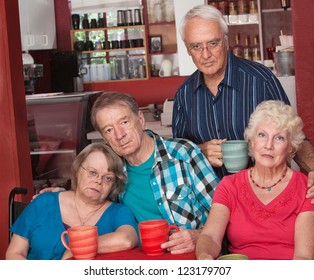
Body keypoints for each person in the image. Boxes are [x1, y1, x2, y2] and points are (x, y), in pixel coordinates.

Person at [172, 4, 314, 192]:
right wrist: (199, 152)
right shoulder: (183, 95)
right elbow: (176, 158)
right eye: (196, 46)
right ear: (188, 50)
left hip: (265, 197)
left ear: (226, 41)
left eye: (213, 43)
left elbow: (295, 138)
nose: (205, 55)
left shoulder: (260, 80)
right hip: (211, 203)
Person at [90, 91, 220, 254]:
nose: (119, 135)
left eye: (124, 122)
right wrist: (55, 194)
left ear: (141, 120)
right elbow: (87, 201)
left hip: (190, 259)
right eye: (109, 130)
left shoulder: (183, 154)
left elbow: (224, 211)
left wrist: (199, 236)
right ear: (104, 138)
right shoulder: (112, 173)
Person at [196, 100, 314, 260]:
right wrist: (205, 256)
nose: (268, 145)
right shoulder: (229, 185)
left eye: (279, 138)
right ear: (251, 140)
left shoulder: (306, 188)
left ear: (291, 147)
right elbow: (210, 236)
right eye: (262, 135)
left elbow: (304, 258)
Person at [6, 142, 138, 260]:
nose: (99, 181)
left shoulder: (118, 211)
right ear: (77, 170)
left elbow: (127, 239)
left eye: (108, 178)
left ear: (114, 184)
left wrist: (76, 249)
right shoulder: (44, 202)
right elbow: (14, 253)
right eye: (92, 172)